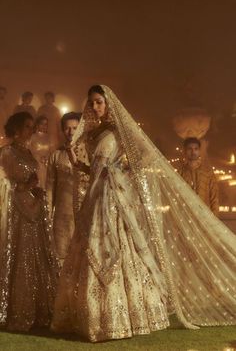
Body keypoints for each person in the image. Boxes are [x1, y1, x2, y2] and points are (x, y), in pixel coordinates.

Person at [51, 85, 236, 342]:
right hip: (96, 201)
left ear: (108, 105)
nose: (94, 107)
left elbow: (137, 161)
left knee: (121, 250)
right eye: (91, 103)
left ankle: (124, 316)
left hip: (114, 203)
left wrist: (118, 173)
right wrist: (77, 162)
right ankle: (91, 317)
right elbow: (94, 170)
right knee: (90, 251)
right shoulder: (94, 133)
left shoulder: (118, 131)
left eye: (99, 102)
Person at [0, 112, 58, 331]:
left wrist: (36, 191)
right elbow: (2, 184)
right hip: (16, 212)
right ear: (15, 128)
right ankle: (15, 310)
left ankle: (36, 311)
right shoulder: (6, 152)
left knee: (35, 258)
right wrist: (21, 188)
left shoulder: (29, 152)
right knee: (18, 258)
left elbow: (31, 180)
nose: (31, 130)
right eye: (26, 126)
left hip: (33, 211)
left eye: (32, 126)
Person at [46, 112, 89, 266]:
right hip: (62, 214)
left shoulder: (88, 153)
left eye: (74, 128)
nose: (70, 132)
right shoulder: (56, 155)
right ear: (62, 130)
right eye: (67, 128)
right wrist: (48, 214)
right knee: (62, 257)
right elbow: (50, 187)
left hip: (85, 210)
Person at [178, 137, 219, 215]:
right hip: (186, 216)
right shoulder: (180, 173)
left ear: (199, 151)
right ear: (185, 151)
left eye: (196, 149)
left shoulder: (207, 173)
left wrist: (214, 217)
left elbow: (214, 197)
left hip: (205, 217)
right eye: (190, 149)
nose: (193, 152)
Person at [30, 115, 53, 189]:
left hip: (46, 164)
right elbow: (28, 150)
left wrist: (47, 158)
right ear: (37, 125)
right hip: (36, 164)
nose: (44, 126)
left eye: (46, 124)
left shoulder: (48, 137)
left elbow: (50, 151)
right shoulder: (32, 136)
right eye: (42, 124)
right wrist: (36, 158)